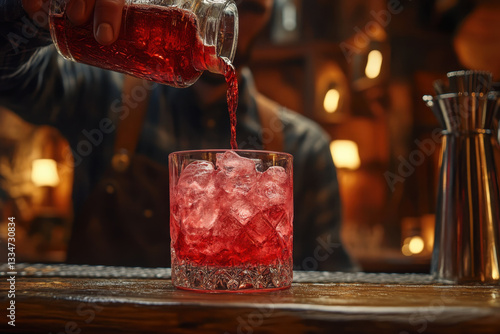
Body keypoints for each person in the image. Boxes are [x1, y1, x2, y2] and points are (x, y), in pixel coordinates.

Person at [0, 0, 354, 271]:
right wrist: (30, 13)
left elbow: (333, 280)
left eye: (250, 6)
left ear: (271, 9)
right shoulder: (106, 93)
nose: (234, 24)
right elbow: (10, 75)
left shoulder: (304, 147)